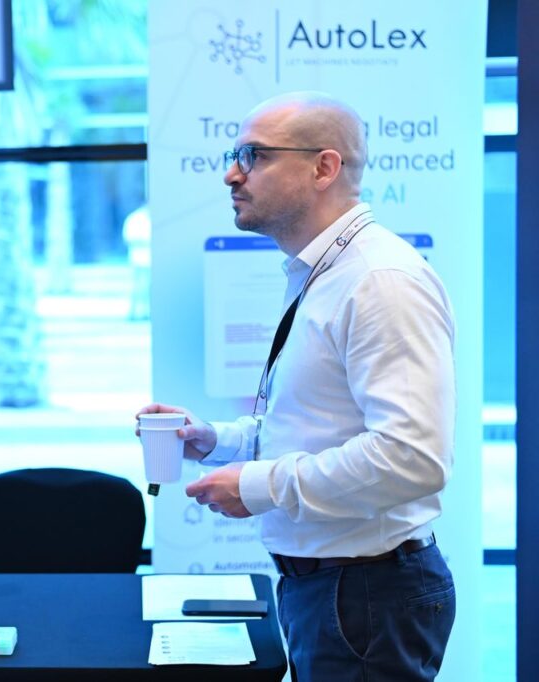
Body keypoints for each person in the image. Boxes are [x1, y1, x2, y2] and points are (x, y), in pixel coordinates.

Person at [137, 92, 456, 680]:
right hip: (337, 590)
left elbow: (412, 458)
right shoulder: (327, 271)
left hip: (365, 593)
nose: (231, 174)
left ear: (324, 168)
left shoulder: (379, 279)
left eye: (254, 156)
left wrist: (258, 485)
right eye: (235, 156)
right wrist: (218, 440)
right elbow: (314, 423)